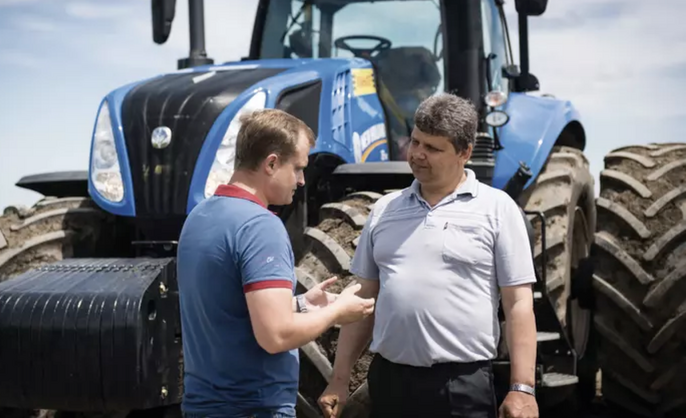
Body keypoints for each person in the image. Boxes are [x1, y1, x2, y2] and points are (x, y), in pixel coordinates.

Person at [317, 94, 539, 418]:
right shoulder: (384, 210)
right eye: (415, 141)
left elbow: (518, 302)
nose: (418, 154)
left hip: (460, 386)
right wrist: (339, 380)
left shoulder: (497, 209)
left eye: (433, 148)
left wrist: (522, 387)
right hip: (389, 382)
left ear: (464, 153)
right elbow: (363, 300)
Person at [177, 108, 376, 418]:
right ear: (271, 163)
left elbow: (226, 309)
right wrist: (338, 311)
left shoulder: (200, 217)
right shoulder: (260, 226)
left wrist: (301, 304)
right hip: (253, 409)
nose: (301, 180)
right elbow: (276, 336)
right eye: (297, 168)